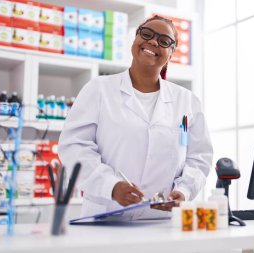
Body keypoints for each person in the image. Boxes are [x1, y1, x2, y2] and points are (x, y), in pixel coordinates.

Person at [58, 15, 213, 219]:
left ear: (171, 53)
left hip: (161, 222)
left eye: (164, 41)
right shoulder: (99, 89)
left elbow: (198, 157)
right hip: (107, 217)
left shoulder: (187, 102)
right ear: (135, 40)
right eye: (146, 34)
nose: (153, 42)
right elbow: (74, 146)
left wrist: (184, 192)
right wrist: (110, 186)